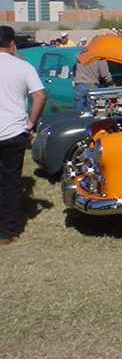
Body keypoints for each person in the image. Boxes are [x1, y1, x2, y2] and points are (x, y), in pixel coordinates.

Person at [0, 26, 46, 245]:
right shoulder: (23, 66)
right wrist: (30, 122)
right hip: (13, 131)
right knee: (10, 182)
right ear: (12, 44)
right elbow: (39, 95)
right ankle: (7, 231)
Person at [73, 38, 115, 112]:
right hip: (91, 86)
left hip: (79, 85)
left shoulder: (81, 54)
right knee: (92, 113)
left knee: (78, 113)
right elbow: (105, 74)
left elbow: (74, 68)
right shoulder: (99, 57)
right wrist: (112, 84)